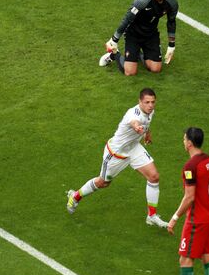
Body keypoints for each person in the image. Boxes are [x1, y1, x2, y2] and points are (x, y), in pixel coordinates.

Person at [66, 88, 168, 228]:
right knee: (103, 183)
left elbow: (146, 123)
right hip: (116, 153)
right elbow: (136, 122)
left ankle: (151, 216)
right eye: (147, 102)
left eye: (153, 102)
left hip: (133, 148)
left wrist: (147, 134)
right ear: (140, 102)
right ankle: (76, 196)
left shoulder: (150, 112)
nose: (150, 105)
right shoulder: (133, 113)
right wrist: (137, 128)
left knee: (154, 176)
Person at [167, 127, 209, 275]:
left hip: (197, 220)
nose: (183, 142)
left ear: (189, 143)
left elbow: (189, 197)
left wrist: (174, 218)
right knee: (206, 256)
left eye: (184, 139)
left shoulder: (190, 166)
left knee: (185, 260)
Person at [100, 0, 179, 76]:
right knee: (130, 72)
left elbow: (171, 22)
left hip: (151, 35)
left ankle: (138, 54)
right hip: (134, 34)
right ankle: (114, 55)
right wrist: (114, 39)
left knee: (156, 69)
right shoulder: (143, 0)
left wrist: (171, 46)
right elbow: (127, 19)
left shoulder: (172, 3)